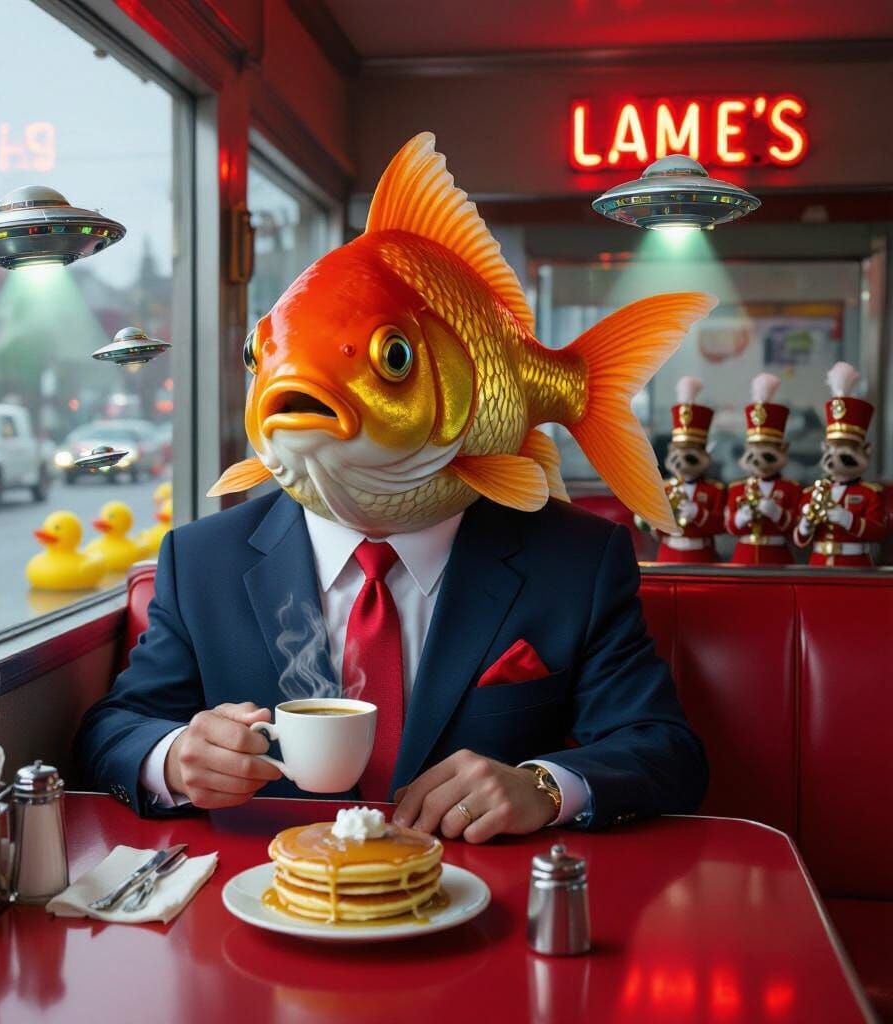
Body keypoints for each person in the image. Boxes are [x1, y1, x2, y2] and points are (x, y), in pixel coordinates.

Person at [77, 133, 709, 841]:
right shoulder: (202, 561)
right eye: (262, 356)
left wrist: (540, 786)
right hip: (272, 890)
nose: (286, 384)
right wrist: (173, 758)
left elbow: (665, 750)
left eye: (392, 359)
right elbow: (114, 730)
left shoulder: (576, 561)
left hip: (476, 892)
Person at [793, 362, 886, 567]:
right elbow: (799, 540)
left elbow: (879, 531)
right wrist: (806, 524)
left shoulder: (870, 494)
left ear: (865, 451)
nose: (836, 457)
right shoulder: (812, 492)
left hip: (855, 564)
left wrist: (848, 519)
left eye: (846, 448)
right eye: (832, 448)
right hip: (819, 563)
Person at [646, 377, 725, 563]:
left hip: (702, 555)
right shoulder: (664, 488)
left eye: (690, 456)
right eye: (677, 456)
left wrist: (698, 513)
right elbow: (655, 530)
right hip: (668, 553)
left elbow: (721, 526)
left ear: (705, 456)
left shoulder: (714, 490)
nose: (682, 462)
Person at [725, 373, 800, 565]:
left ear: (783, 450)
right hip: (744, 556)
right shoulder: (737, 488)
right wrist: (741, 518)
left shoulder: (791, 488)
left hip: (778, 557)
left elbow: (797, 529)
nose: (758, 460)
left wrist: (778, 514)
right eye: (753, 451)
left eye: (766, 452)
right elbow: (729, 527)